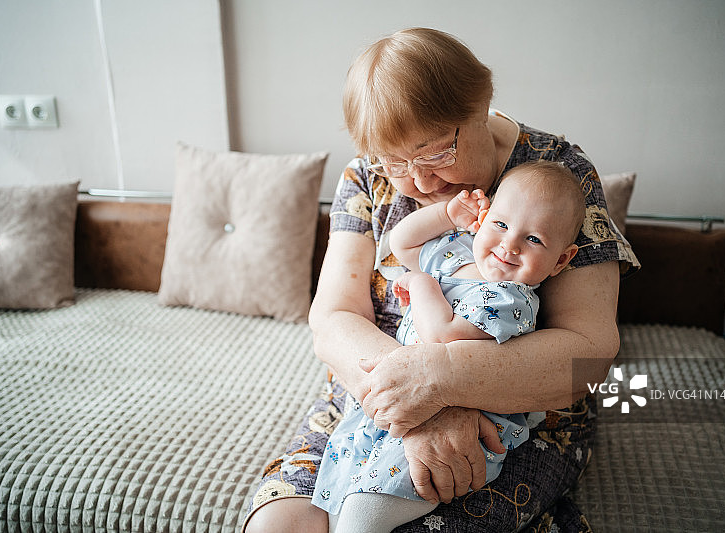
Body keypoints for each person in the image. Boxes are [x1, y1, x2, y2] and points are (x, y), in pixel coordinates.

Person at [243, 27, 639, 533]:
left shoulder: (559, 174)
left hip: (511, 412)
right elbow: (333, 317)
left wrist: (445, 382)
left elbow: (590, 352)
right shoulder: (366, 176)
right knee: (279, 526)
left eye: (435, 152)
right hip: (371, 397)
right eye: (397, 162)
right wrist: (416, 406)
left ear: (482, 106)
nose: (421, 181)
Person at [310, 161, 586, 532]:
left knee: (364, 513)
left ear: (561, 260)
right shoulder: (460, 252)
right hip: (400, 402)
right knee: (337, 499)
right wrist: (446, 214)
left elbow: (443, 339)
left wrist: (422, 284)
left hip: (461, 427)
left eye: (534, 239)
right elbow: (401, 242)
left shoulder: (511, 299)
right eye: (501, 225)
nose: (510, 245)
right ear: (485, 218)